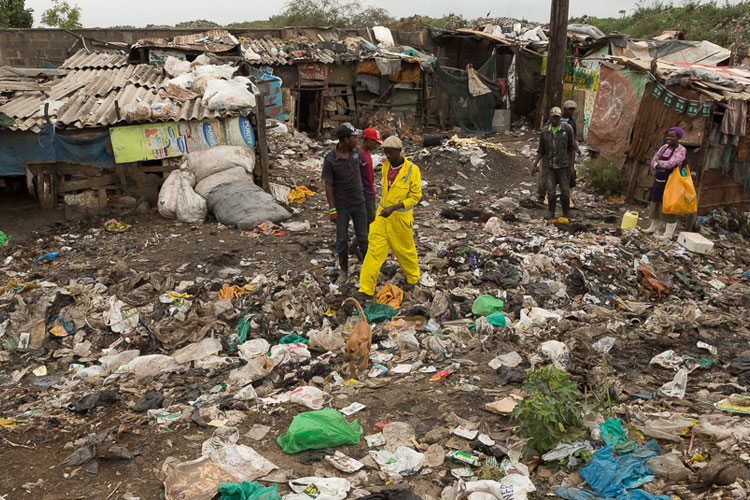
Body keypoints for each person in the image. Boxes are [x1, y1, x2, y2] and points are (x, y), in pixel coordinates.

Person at [358, 136, 422, 298]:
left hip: (400, 218)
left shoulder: (412, 170)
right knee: (374, 251)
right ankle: (366, 289)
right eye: (386, 152)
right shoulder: (386, 166)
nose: (388, 155)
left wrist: (395, 207)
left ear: (400, 151)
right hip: (382, 217)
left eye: (391, 152)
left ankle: (412, 278)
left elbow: (415, 197)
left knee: (404, 251)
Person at [322, 122, 369, 283]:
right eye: (355, 137)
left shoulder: (356, 153)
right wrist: (332, 209)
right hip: (341, 205)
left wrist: (362, 190)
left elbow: (360, 170)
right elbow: (328, 185)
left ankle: (367, 268)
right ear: (346, 139)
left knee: (363, 237)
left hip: (359, 202)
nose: (358, 140)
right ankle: (344, 270)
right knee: (341, 239)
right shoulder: (330, 159)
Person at [532, 107, 576, 220]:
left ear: (560, 117)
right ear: (549, 117)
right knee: (551, 192)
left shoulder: (567, 129)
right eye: (553, 117)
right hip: (549, 166)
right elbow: (541, 150)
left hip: (564, 166)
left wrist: (572, 166)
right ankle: (551, 212)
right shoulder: (545, 131)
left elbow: (572, 148)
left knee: (565, 192)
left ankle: (566, 212)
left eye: (557, 117)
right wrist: (535, 164)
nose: (555, 119)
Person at [643, 127, 686, 239]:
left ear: (678, 137)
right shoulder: (664, 148)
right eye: (668, 135)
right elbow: (653, 161)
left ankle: (668, 234)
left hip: (671, 181)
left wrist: (659, 164)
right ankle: (653, 227)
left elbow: (671, 164)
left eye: (672, 136)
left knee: (668, 205)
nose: (669, 138)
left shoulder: (681, 150)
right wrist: (659, 165)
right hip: (659, 180)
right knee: (656, 202)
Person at [537, 100, 579, 202]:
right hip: (550, 154)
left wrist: (575, 151)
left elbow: (572, 140)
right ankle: (544, 196)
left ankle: (567, 198)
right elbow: (544, 138)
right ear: (564, 109)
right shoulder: (550, 123)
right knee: (547, 176)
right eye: (570, 109)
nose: (572, 112)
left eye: (573, 110)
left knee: (568, 176)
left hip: (564, 155)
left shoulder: (571, 124)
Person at [359, 128, 382, 225]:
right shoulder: (359, 155)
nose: (376, 146)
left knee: (369, 221)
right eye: (375, 143)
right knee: (369, 222)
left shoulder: (367, 153)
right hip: (364, 194)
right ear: (368, 140)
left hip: (369, 192)